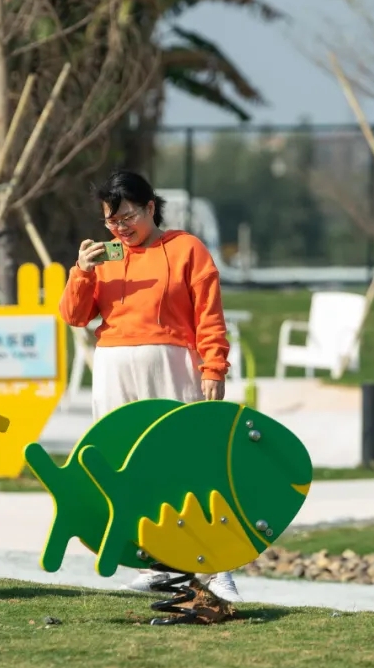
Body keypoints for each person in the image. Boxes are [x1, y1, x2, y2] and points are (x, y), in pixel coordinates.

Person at [58, 169, 240, 602]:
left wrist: (214, 368)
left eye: (128, 217)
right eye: (112, 220)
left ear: (151, 208)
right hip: (113, 365)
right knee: (128, 464)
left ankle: (215, 567)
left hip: (172, 361)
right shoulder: (103, 257)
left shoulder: (186, 249)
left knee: (189, 461)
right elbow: (75, 317)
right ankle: (158, 564)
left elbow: (209, 316)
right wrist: (81, 272)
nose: (121, 228)